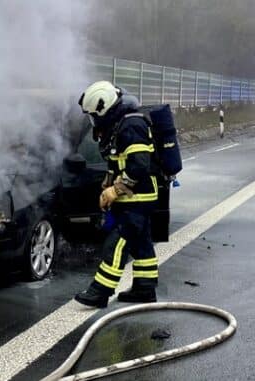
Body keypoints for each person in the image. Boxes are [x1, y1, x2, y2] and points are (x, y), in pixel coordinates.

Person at [74, 80, 159, 308]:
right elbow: (118, 162)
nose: (93, 120)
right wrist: (107, 185)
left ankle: (99, 292)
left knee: (117, 242)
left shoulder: (132, 125)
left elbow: (139, 165)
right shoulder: (120, 125)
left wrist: (116, 189)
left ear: (105, 108)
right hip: (134, 198)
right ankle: (144, 288)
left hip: (137, 198)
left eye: (94, 115)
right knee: (141, 244)